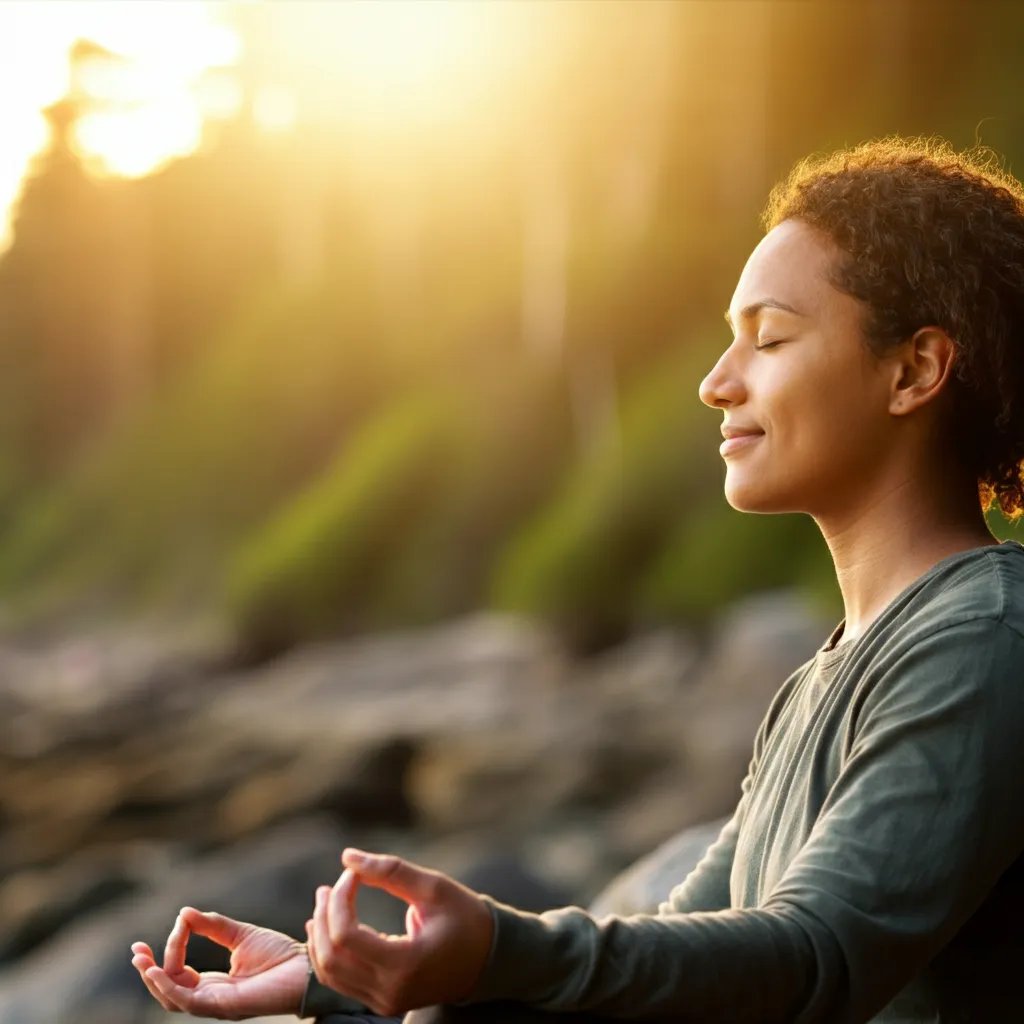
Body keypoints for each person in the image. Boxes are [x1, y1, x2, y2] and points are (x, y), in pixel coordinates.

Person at [130, 136, 1024, 1023]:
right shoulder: (823, 680)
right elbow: (679, 959)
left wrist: (497, 946)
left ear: (913, 370)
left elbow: (814, 956)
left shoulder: (981, 638)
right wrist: (342, 984)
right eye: (728, 343)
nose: (716, 384)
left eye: (771, 339)